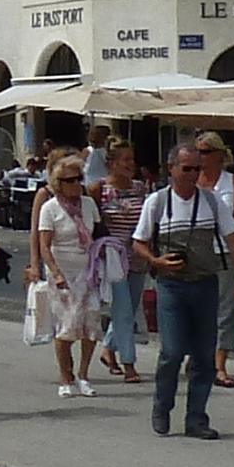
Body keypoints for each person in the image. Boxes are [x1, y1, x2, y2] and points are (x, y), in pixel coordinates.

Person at [133, 133, 234, 439]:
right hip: (171, 286)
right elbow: (139, 243)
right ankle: (162, 406)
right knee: (172, 352)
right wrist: (157, 262)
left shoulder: (211, 201)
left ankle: (197, 417)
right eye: (186, 169)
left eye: (197, 169)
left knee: (203, 355)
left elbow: (233, 236)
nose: (192, 175)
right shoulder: (157, 202)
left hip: (205, 284)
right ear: (171, 168)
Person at [29, 145, 99, 398]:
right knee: (67, 326)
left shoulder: (89, 204)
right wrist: (54, 272)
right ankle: (65, 375)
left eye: (79, 179)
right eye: (70, 180)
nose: (76, 184)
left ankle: (84, 374)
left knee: (91, 323)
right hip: (63, 271)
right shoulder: (51, 208)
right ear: (59, 182)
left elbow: (97, 235)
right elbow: (44, 244)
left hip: (88, 270)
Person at [89, 137, 151, 384]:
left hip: (137, 256)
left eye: (131, 160)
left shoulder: (140, 189)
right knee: (124, 311)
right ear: (111, 163)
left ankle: (108, 348)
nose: (130, 164)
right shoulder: (99, 189)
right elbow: (92, 223)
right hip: (112, 258)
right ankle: (129, 363)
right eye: (125, 160)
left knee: (130, 308)